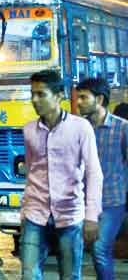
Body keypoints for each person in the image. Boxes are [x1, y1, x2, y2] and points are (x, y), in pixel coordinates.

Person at [19, 70, 102, 280]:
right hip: (35, 214)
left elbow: (94, 172)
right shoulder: (29, 130)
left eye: (41, 94)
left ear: (58, 96)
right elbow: (31, 170)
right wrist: (24, 211)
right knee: (29, 274)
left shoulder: (81, 128)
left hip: (70, 215)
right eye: (32, 94)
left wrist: (91, 217)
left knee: (70, 276)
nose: (35, 100)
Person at [75, 77, 128, 280]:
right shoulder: (79, 128)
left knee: (100, 250)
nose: (78, 102)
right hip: (81, 202)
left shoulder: (122, 128)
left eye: (83, 97)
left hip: (111, 201)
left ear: (99, 99)